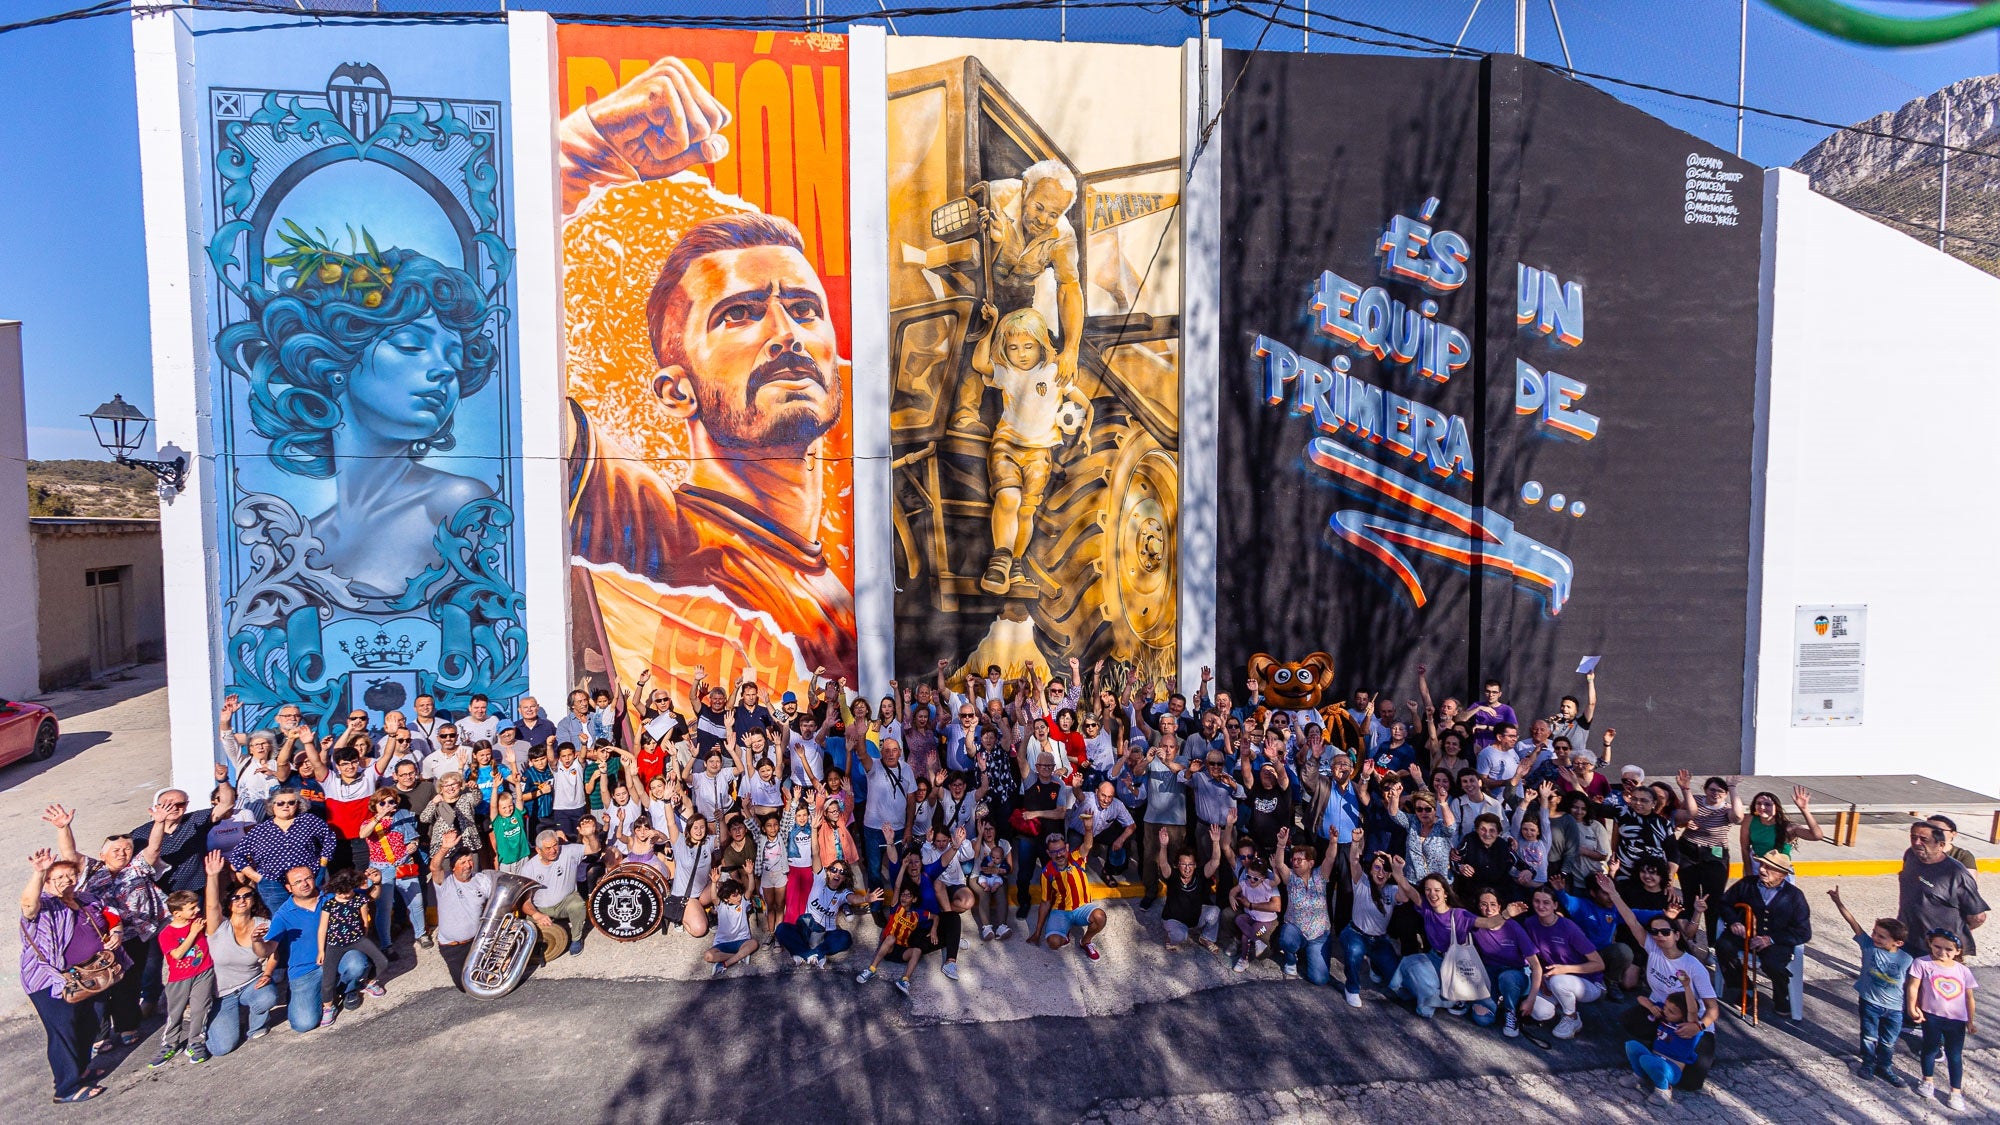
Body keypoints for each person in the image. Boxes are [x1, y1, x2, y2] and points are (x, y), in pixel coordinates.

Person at [562, 72, 858, 687]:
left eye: (805, 309)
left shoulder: (837, 587)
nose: (786, 333)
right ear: (675, 390)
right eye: (740, 314)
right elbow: (484, 363)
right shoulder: (654, 527)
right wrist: (576, 155)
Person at [219, 238, 504, 594]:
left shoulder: (455, 504)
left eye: (454, 357)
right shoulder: (307, 537)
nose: (445, 370)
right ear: (334, 362)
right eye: (411, 345)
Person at [968, 304, 1091, 591]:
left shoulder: (1055, 373)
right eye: (1013, 348)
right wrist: (991, 325)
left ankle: (1015, 563)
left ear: (1041, 345)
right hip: (1007, 446)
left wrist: (1085, 434)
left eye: (1027, 346)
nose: (1021, 354)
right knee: (1008, 498)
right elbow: (979, 363)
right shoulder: (1007, 372)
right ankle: (999, 561)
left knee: (1026, 511)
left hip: (1039, 454)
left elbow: (1087, 405)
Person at [43, 802, 165, 1049]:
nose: (122, 853)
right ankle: (100, 1034)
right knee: (96, 985)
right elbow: (69, 854)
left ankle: (127, 1026)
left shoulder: (137, 868)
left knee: (128, 983)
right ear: (102, 854)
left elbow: (153, 848)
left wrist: (160, 822)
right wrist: (64, 827)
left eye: (127, 848)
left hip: (133, 937)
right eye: (116, 849)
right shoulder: (91, 869)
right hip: (97, 939)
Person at [20, 848, 123, 1103]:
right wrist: (39, 872)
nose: (67, 880)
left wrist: (116, 934)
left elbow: (111, 918)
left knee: (90, 1022)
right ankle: (66, 1088)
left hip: (90, 975)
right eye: (59, 877)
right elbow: (28, 906)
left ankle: (81, 1068)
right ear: (47, 883)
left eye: (71, 875)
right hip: (49, 981)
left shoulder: (87, 898)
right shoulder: (45, 905)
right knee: (63, 1030)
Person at [1827, 885, 1913, 1086]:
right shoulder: (1868, 946)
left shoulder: (1907, 959)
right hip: (1869, 1002)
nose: (1875, 937)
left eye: (1881, 936)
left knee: (1888, 1040)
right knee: (1868, 1035)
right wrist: (1839, 903)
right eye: (1874, 933)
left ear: (1898, 943)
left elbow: (1912, 984)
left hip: (1894, 1009)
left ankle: (1885, 1066)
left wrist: (1912, 1006)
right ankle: (1868, 1063)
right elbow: (1853, 923)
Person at [262, 865, 361, 1032]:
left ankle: (346, 989)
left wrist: (376, 884)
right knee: (303, 1024)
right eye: (298, 881)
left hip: (336, 958)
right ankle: (315, 994)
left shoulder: (330, 898)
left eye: (308, 878)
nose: (305, 884)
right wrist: (258, 942)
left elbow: (364, 897)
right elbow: (267, 949)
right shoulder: (283, 914)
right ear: (289, 888)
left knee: (356, 964)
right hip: (305, 971)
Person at [1717, 850, 1813, 1020]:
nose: (1762, 870)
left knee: (1773, 964)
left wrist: (1771, 939)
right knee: (1723, 946)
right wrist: (1733, 921)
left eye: (1769, 867)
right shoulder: (1747, 884)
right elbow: (1725, 903)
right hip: (1744, 935)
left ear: (1783, 874)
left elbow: (1803, 931)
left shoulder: (1794, 896)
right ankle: (1744, 987)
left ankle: (1781, 994)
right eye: (1762, 865)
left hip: (1776, 942)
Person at [201, 850, 279, 1058]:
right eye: (236, 897)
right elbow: (211, 904)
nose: (241, 900)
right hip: (221, 993)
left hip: (249, 984)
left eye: (247, 896)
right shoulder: (218, 927)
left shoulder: (264, 924)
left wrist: (267, 973)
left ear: (254, 900)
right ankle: (214, 1020)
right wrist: (212, 875)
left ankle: (256, 1025)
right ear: (228, 903)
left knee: (267, 997)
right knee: (221, 1048)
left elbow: (270, 953)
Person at [229, 790, 336, 915]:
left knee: (314, 916)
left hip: (307, 881)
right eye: (280, 803)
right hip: (272, 884)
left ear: (298, 805)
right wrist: (257, 878)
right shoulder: (260, 830)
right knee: (282, 920)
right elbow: (236, 855)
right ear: (272, 806)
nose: (286, 806)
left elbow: (329, 838)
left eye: (291, 802)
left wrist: (323, 865)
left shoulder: (309, 821)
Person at [1523, 884, 1608, 1039]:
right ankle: (1562, 1002)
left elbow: (1599, 964)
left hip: (1588, 982)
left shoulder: (1569, 928)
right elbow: (1534, 957)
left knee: (1559, 982)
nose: (1541, 906)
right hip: (1552, 976)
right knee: (1539, 1013)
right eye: (1537, 901)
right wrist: (1540, 977)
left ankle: (1572, 1017)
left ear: (1555, 905)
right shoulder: (1530, 923)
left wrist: (1565, 969)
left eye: (1546, 902)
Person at [1908, 926, 1978, 1110]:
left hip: (1956, 1021)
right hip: (1931, 1017)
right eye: (1937, 946)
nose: (1942, 952)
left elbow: (1969, 997)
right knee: (1929, 1049)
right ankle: (1927, 1081)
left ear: (1957, 951)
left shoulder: (1962, 970)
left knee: (1954, 1055)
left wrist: (1970, 1021)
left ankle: (1955, 1092)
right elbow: (1913, 987)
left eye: (1948, 949)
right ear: (1930, 944)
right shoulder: (1922, 963)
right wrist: (1912, 1008)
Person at [1900, 820, 1989, 960]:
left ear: (1940, 845)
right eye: (1913, 837)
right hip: (1905, 938)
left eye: (1924, 839)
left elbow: (1978, 917)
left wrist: (1954, 935)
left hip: (1935, 950)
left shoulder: (1956, 873)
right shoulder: (1911, 855)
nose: (1916, 843)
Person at [150, 888, 216, 1067]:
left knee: (200, 1008)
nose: (197, 910)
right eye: (192, 908)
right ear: (177, 913)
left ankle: (196, 1041)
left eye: (196, 906)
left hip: (203, 972)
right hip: (179, 978)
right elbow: (177, 954)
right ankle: (170, 1043)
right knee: (175, 1011)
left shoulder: (198, 922)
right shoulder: (167, 934)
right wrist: (193, 932)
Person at [1624, 968, 1709, 1105]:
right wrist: (1652, 1007)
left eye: (1672, 1011)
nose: (1666, 1011)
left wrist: (1687, 986)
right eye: (1666, 1008)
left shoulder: (1689, 1027)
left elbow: (1692, 1010)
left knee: (1647, 1060)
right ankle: (1639, 1076)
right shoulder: (1666, 1016)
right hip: (1655, 1058)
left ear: (1683, 1015)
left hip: (1672, 1068)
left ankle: (1664, 1090)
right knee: (1632, 1046)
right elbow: (1641, 999)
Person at [775, 861, 880, 966]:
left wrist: (865, 898)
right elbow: (815, 853)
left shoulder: (843, 892)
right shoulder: (819, 879)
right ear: (828, 872)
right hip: (807, 929)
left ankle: (806, 953)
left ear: (844, 878)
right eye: (834, 870)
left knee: (845, 937)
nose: (837, 874)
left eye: (842, 872)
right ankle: (811, 955)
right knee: (782, 928)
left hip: (825, 934)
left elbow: (853, 899)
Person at [316, 869, 390, 1016]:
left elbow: (364, 922)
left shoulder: (359, 899)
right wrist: (321, 950)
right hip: (334, 944)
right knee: (328, 978)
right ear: (335, 890)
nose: (345, 895)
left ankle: (367, 981)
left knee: (382, 961)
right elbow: (322, 928)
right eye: (341, 892)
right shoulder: (329, 904)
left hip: (357, 939)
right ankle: (328, 1007)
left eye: (348, 891)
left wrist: (363, 939)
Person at [430, 832, 495, 992]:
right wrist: (444, 848)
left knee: (493, 978)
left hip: (478, 940)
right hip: (453, 948)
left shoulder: (481, 880)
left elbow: (496, 900)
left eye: (469, 861)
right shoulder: (444, 881)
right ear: (452, 867)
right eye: (462, 862)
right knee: (465, 986)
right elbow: (434, 867)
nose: (467, 865)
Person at [1339, 848, 1402, 1009]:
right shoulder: (1362, 881)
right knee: (1354, 953)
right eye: (1376, 867)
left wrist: (1397, 871)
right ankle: (1351, 988)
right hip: (1355, 933)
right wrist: (1355, 842)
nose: (1381, 872)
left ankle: (1375, 963)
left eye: (1385, 869)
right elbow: (1353, 861)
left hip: (1379, 940)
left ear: (1389, 874)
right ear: (1370, 869)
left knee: (1396, 982)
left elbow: (1409, 895)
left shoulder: (1393, 890)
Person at [1275, 827, 1340, 984]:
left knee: (1319, 979)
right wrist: (1281, 845)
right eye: (1293, 860)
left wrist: (1333, 842)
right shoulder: (1290, 878)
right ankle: (1291, 959)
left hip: (1318, 935)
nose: (1294, 862)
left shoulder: (1320, 875)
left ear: (1311, 863)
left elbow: (1330, 859)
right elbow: (1279, 863)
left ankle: (1308, 952)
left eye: (1299, 860)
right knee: (1286, 937)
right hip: (1296, 930)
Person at [1026, 833, 1105, 959]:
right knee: (1053, 943)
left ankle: (1085, 942)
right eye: (1054, 852)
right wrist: (1037, 933)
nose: (1059, 854)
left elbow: (1088, 844)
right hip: (1061, 911)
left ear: (1067, 848)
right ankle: (1064, 931)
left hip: (1082, 908)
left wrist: (1088, 828)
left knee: (1100, 917)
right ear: (1048, 853)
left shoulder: (1076, 857)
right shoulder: (1047, 873)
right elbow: (1045, 902)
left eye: (1062, 850)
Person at [518, 830, 593, 957]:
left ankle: (576, 938)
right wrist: (536, 914)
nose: (553, 850)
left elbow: (593, 848)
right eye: (548, 848)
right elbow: (525, 901)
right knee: (527, 929)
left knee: (577, 905)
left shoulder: (568, 851)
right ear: (538, 850)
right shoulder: (528, 868)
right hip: (541, 908)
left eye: (555, 845)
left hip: (564, 902)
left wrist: (591, 835)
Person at [855, 883, 937, 997]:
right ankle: (871, 969)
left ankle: (905, 980)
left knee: (917, 950)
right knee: (891, 938)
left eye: (908, 896)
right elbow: (897, 886)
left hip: (903, 951)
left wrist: (933, 930)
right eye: (903, 895)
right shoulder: (896, 907)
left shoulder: (918, 914)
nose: (903, 897)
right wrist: (903, 867)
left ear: (914, 899)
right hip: (889, 948)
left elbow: (936, 917)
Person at [704, 880, 760, 978]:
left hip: (742, 941)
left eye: (739, 894)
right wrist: (713, 882)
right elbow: (713, 897)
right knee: (708, 955)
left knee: (754, 943)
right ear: (726, 899)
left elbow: (750, 889)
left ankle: (725, 964)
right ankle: (740, 957)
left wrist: (750, 874)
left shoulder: (743, 902)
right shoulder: (721, 905)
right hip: (722, 943)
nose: (738, 897)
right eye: (734, 895)